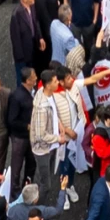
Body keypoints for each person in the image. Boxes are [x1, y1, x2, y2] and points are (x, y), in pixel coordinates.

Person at [30, 70, 66, 205]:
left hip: (50, 146)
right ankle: (38, 209)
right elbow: (41, 135)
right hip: (43, 149)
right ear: (48, 85)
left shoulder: (48, 94)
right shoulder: (41, 108)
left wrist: (60, 123)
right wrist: (58, 139)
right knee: (46, 184)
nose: (58, 83)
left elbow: (54, 111)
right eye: (56, 81)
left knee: (47, 175)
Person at [8, 67, 37, 199]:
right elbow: (11, 120)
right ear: (28, 81)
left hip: (30, 137)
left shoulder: (33, 92)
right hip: (19, 138)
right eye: (33, 77)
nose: (36, 78)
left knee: (31, 163)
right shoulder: (16, 97)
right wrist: (27, 126)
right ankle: (14, 194)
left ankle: (27, 185)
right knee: (16, 167)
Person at [11, 0, 45, 85]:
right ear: (24, 0)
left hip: (32, 50)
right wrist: (20, 58)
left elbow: (35, 22)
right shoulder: (16, 15)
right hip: (22, 55)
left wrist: (40, 37)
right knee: (22, 79)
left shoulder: (32, 7)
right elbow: (15, 38)